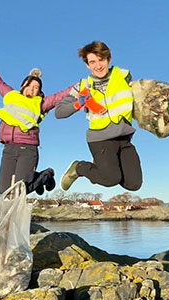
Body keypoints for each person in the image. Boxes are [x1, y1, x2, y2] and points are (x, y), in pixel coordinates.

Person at [54, 42, 143, 192]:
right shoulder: (83, 85)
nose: (98, 65)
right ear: (87, 65)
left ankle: (104, 166)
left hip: (124, 137)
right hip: (100, 139)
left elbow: (142, 96)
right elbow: (59, 112)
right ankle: (79, 168)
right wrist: (78, 104)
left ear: (109, 59)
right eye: (92, 62)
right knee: (110, 178)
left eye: (101, 59)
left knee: (133, 184)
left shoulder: (124, 76)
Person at [0, 66, 76, 195]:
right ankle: (41, 177)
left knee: (19, 190)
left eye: (36, 88)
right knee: (3, 189)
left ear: (39, 92)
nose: (32, 89)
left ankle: (45, 176)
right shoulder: (11, 95)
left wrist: (80, 86)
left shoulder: (41, 103)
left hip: (27, 149)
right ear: (23, 86)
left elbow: (60, 95)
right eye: (30, 85)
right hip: (8, 148)